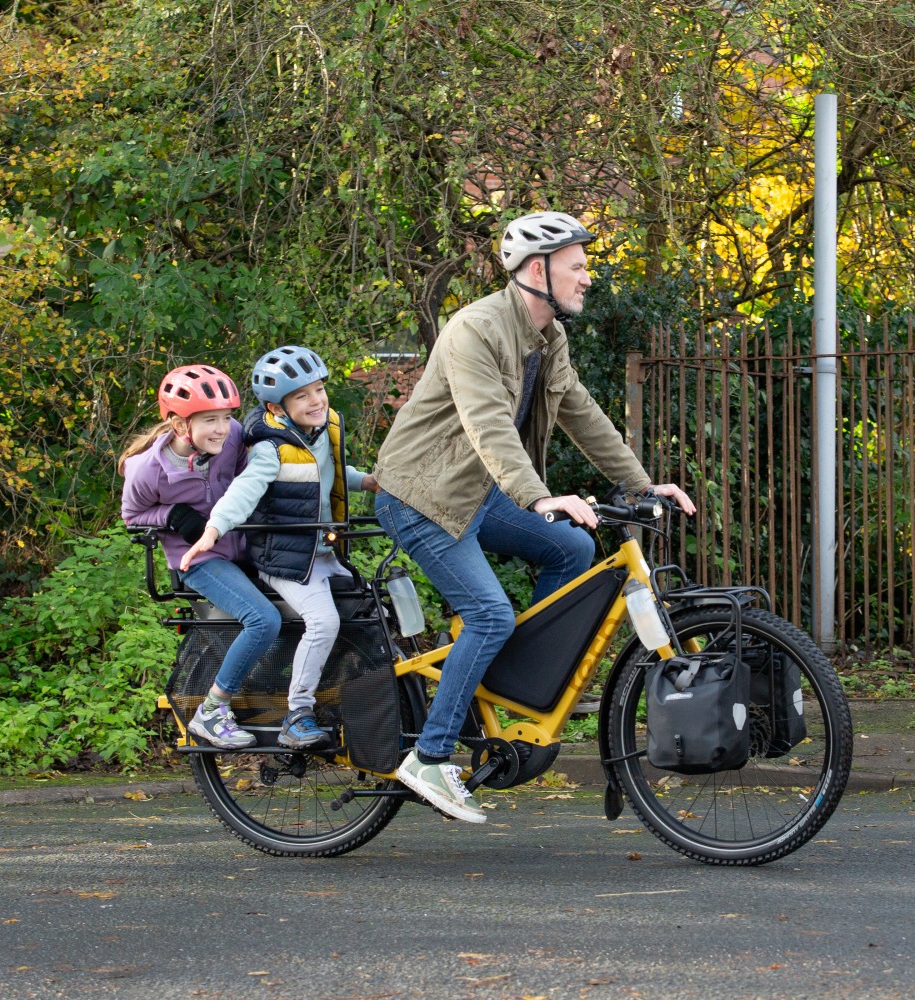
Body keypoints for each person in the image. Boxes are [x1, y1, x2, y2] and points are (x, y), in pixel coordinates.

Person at [372, 210, 696, 824]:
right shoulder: (475, 328)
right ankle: (431, 756)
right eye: (577, 267)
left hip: (476, 490)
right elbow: (486, 420)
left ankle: (502, 680)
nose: (587, 279)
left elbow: (582, 412)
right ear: (537, 270)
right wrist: (537, 496)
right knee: (490, 613)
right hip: (419, 494)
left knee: (571, 551)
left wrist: (641, 482)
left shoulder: (549, 340)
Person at [179, 346, 380, 750]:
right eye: (302, 396)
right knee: (324, 622)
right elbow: (245, 490)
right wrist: (213, 530)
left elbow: (331, 474)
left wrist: (369, 481)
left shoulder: (321, 432)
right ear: (278, 407)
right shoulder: (270, 448)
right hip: (286, 560)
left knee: (372, 607)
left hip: (322, 554)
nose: (316, 401)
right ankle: (298, 714)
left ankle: (353, 696)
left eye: (319, 389)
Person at [120, 365, 277, 750]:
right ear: (178, 425)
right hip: (200, 562)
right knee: (262, 620)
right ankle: (212, 710)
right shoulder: (148, 470)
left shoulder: (234, 437)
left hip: (245, 547)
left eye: (226, 417)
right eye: (210, 420)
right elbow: (132, 517)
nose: (222, 429)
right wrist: (170, 516)